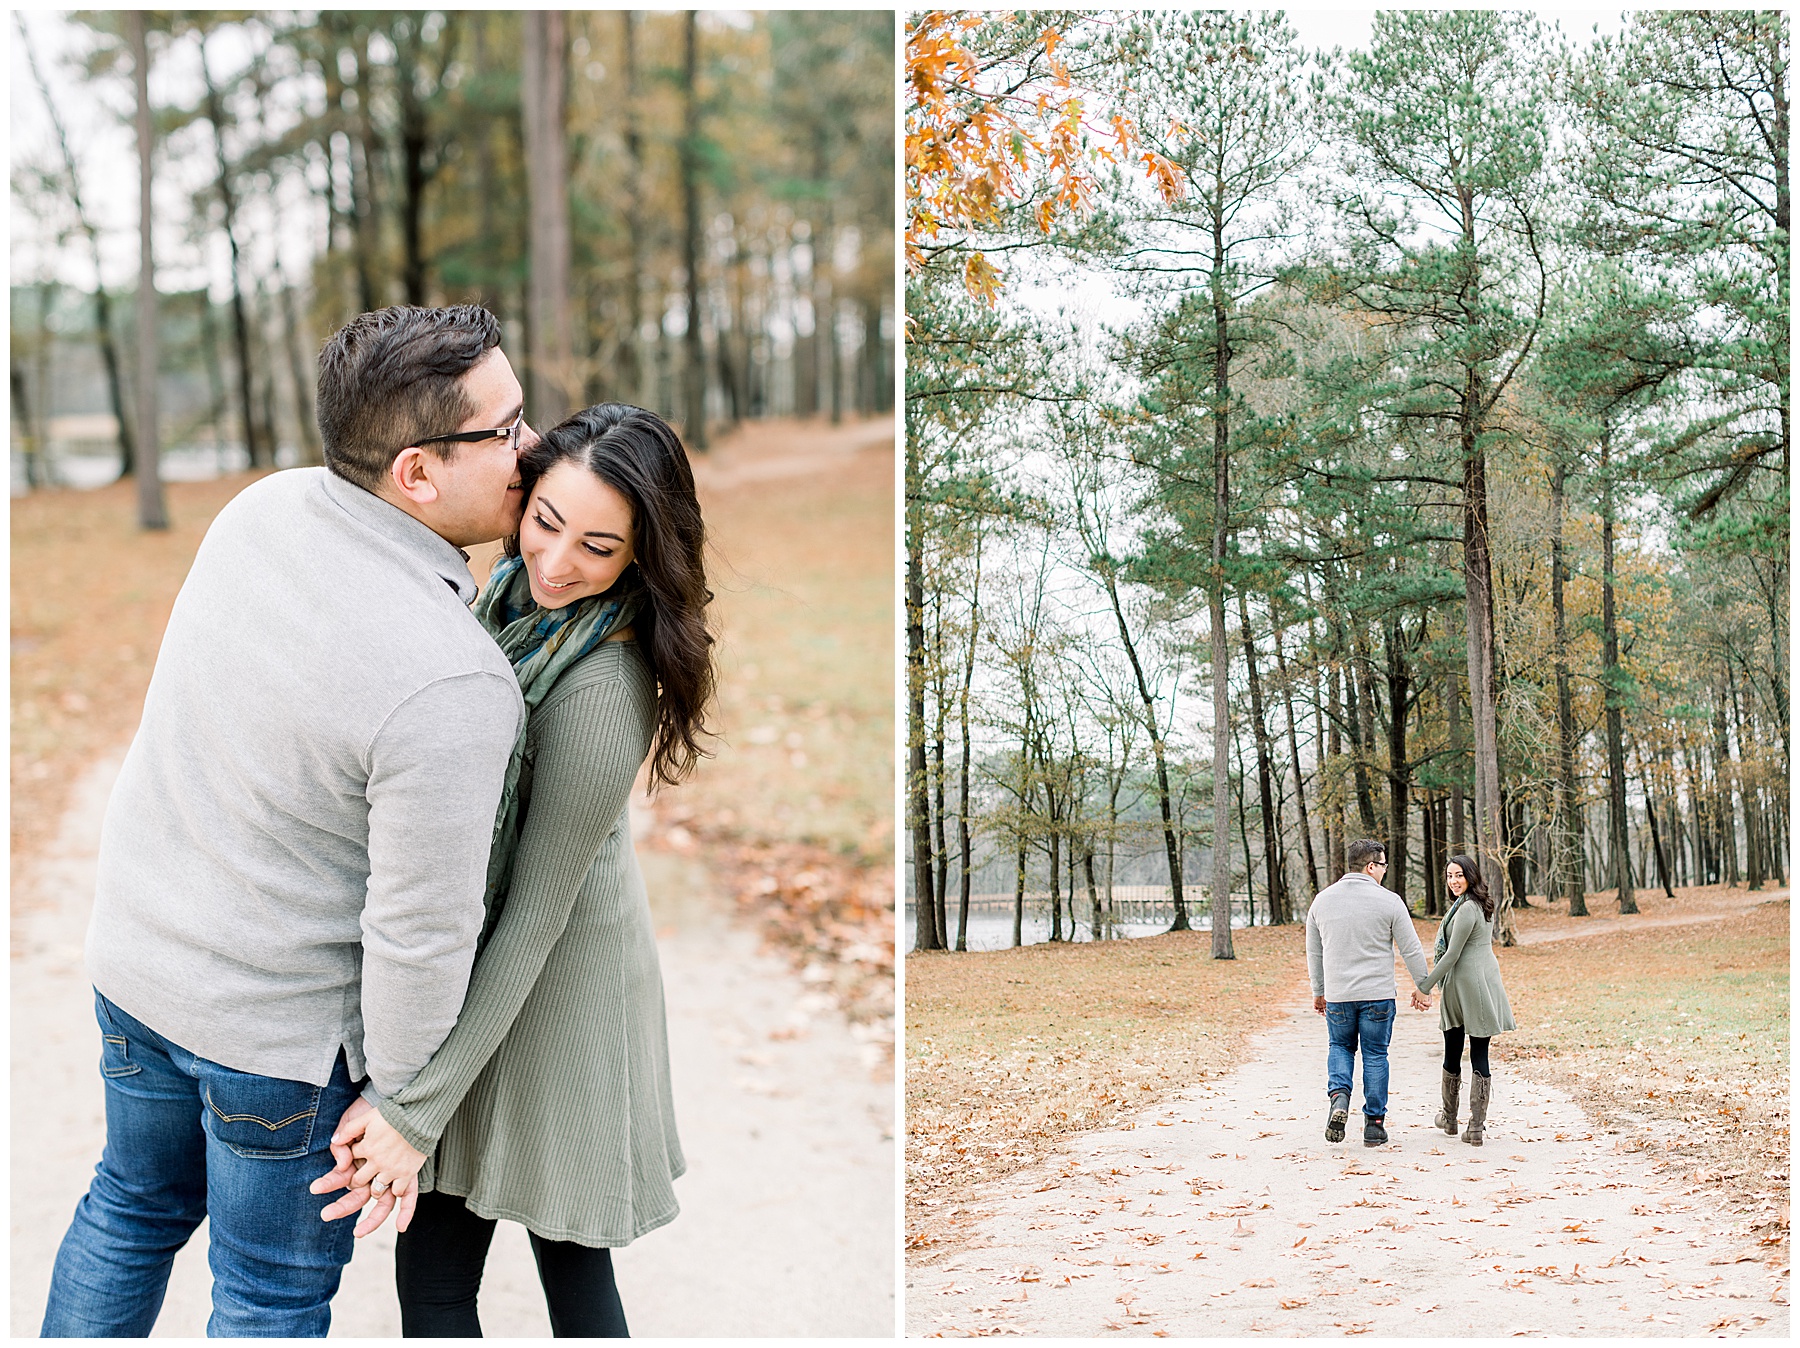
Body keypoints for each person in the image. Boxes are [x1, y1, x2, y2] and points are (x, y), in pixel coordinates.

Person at [41, 305, 533, 1337]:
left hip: (137, 972)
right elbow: (420, 933)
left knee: (128, 1210)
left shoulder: (258, 511)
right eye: (507, 428)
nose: (533, 448)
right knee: (265, 1297)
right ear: (417, 472)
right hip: (275, 1045)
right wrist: (401, 1103)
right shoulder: (452, 680)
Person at [309, 404, 712, 1337]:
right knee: (433, 1282)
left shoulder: (604, 687)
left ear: (642, 557)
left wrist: (414, 1110)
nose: (558, 562)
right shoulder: (504, 602)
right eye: (546, 522)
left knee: (569, 1267)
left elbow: (536, 915)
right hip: (476, 977)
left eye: (599, 548)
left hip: (559, 998)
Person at [1305, 838, 1432, 1148]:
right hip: (1378, 994)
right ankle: (1374, 1126)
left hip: (1339, 995)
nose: (1385, 871)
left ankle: (1339, 1097)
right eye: (1383, 865)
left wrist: (1319, 991)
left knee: (1340, 1046)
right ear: (1371, 866)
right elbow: (1411, 948)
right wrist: (1423, 986)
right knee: (1375, 1055)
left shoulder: (1322, 901)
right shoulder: (1390, 901)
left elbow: (1314, 952)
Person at [1419, 853, 1517, 1146]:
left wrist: (1425, 986)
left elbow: (1452, 954)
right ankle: (1475, 1126)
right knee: (1478, 1052)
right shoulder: (1481, 904)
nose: (1453, 881)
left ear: (1470, 876)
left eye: (1459, 875)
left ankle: (1452, 1119)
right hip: (1483, 981)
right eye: (1449, 876)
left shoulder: (1465, 910)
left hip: (1464, 984)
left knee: (1453, 1051)